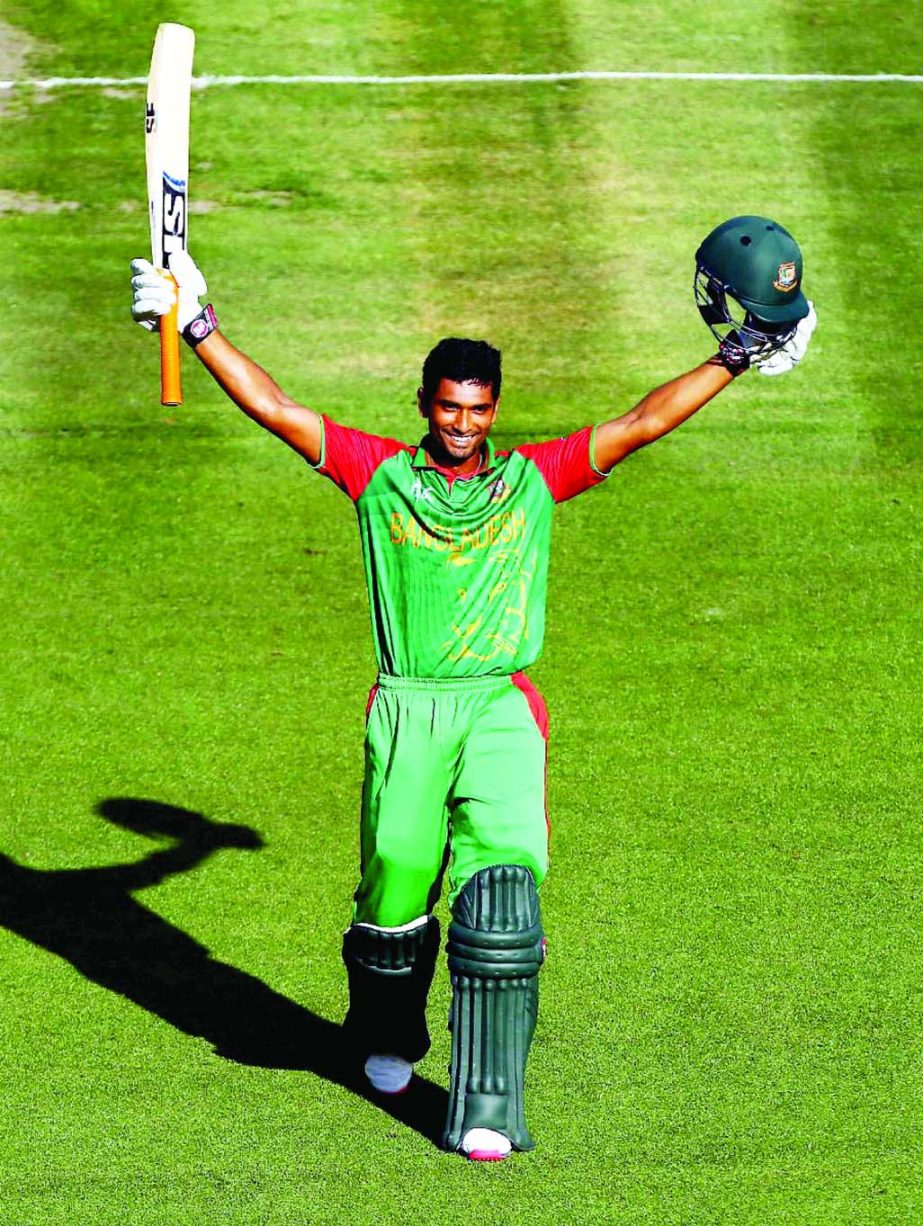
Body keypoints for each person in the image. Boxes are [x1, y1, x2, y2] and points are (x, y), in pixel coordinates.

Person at [129, 217, 816, 1161]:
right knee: (394, 895)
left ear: (495, 410)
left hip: (498, 707)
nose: (462, 424)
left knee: (501, 899)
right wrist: (197, 323)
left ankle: (486, 1104)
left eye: (478, 410)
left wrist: (740, 351)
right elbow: (277, 408)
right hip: (408, 709)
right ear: (424, 403)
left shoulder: (535, 480)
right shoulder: (378, 477)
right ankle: (382, 1034)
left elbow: (640, 422)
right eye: (449, 408)